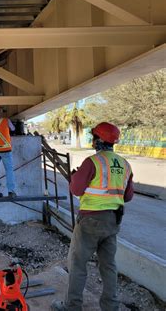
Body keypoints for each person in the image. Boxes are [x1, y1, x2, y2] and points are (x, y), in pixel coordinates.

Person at [51, 122, 134, 311]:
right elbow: (127, 196)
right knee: (109, 266)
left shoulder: (92, 162)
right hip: (113, 222)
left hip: (90, 221)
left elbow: (76, 190)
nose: (92, 140)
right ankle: (111, 306)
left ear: (99, 140)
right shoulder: (125, 164)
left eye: (94, 137)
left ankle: (72, 306)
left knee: (78, 264)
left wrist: (76, 177)